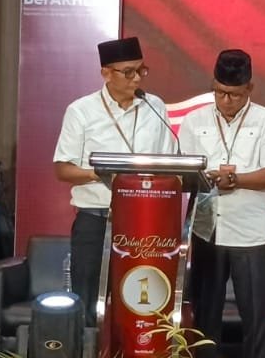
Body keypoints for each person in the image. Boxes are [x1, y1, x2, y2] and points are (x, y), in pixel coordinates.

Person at [178, 49, 265, 358]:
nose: (226, 101)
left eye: (235, 95)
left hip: (251, 234)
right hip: (207, 230)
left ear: (249, 89)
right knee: (206, 321)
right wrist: (207, 178)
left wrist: (235, 179)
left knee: (255, 321)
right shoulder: (194, 121)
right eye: (220, 92)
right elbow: (184, 173)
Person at [52, 36, 177, 314]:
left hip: (144, 221)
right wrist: (101, 175)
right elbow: (63, 169)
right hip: (95, 220)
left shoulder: (154, 106)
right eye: (128, 72)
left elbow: (168, 163)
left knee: (139, 302)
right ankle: (88, 344)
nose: (137, 79)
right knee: (87, 302)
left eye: (141, 70)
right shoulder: (81, 111)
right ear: (106, 73)